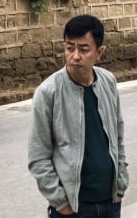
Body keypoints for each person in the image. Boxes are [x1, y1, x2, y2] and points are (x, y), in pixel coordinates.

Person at [28, 14, 129, 217]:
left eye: (84, 49)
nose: (75, 55)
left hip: (110, 202)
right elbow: (38, 156)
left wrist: (120, 185)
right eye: (69, 48)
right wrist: (60, 202)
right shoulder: (48, 92)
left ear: (99, 52)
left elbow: (117, 137)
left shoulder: (108, 82)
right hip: (73, 208)